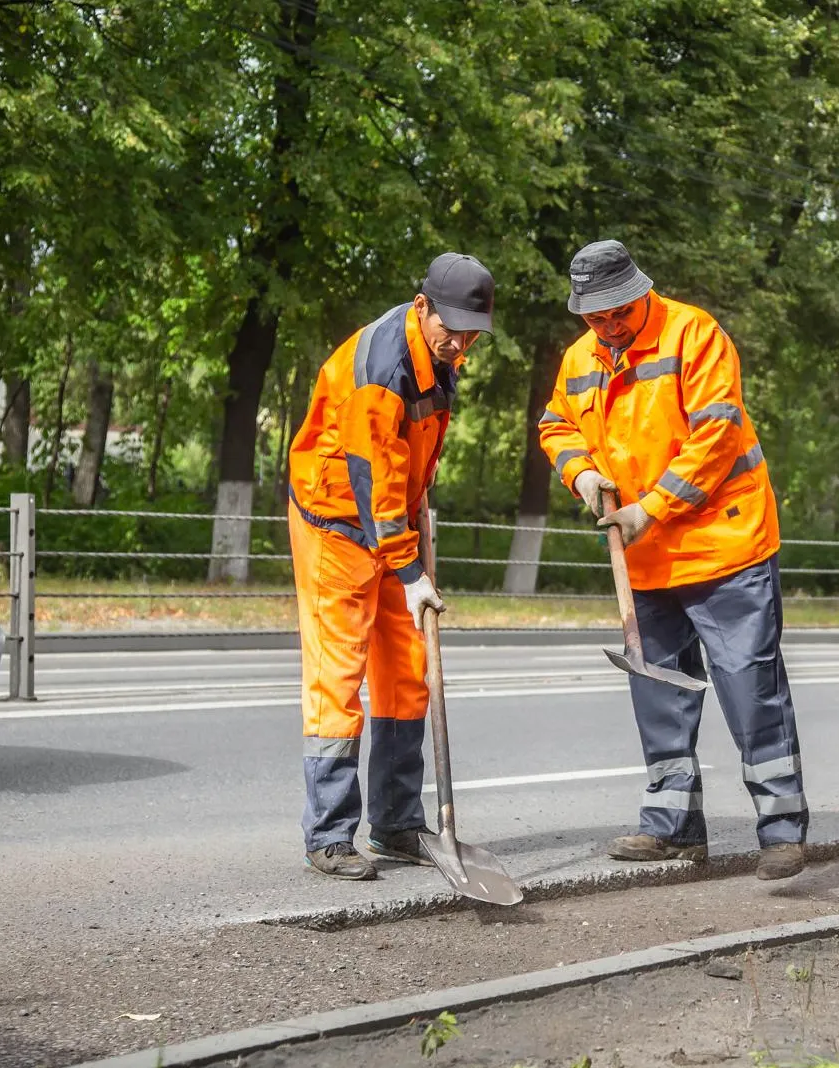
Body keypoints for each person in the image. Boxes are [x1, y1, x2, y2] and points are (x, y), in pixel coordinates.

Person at [537, 239, 809, 881]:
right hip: (646, 558)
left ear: (639, 292)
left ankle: (781, 832)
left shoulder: (694, 334)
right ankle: (673, 828)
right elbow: (556, 425)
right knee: (658, 693)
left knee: (750, 690)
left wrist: (648, 508)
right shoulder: (581, 357)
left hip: (725, 548)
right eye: (593, 316)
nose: (605, 326)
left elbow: (717, 437)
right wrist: (581, 476)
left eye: (615, 312)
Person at [286, 253, 494, 880]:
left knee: (407, 672)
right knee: (339, 677)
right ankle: (328, 836)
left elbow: (408, 464)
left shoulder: (440, 358)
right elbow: (372, 474)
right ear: (421, 305)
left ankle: (397, 825)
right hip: (337, 522)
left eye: (470, 333)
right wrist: (409, 572)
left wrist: (414, 539)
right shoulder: (382, 369)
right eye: (449, 329)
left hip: (393, 523)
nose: (459, 343)